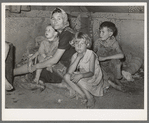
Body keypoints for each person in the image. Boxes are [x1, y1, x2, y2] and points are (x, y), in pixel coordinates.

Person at [20, 7, 76, 95]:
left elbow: (54, 60)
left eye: (59, 18)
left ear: (65, 20)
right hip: (66, 64)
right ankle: (41, 82)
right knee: (40, 60)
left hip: (68, 69)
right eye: (53, 19)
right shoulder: (63, 32)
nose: (55, 21)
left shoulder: (66, 34)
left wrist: (37, 66)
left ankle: (62, 84)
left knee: (38, 65)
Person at [64, 32, 104, 108]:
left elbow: (91, 73)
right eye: (76, 43)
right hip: (82, 75)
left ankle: (90, 98)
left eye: (82, 44)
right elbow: (69, 72)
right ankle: (83, 95)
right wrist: (78, 58)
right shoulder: (74, 56)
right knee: (66, 76)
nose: (79, 46)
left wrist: (80, 75)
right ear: (73, 44)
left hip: (93, 78)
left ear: (87, 44)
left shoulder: (91, 54)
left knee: (77, 77)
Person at [93, 21, 125, 92]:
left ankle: (116, 80)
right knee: (98, 73)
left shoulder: (114, 43)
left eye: (103, 32)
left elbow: (121, 55)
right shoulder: (98, 42)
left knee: (117, 62)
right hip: (100, 65)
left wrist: (105, 58)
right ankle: (113, 84)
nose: (100, 34)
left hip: (110, 65)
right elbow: (93, 53)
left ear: (110, 33)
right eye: (100, 31)